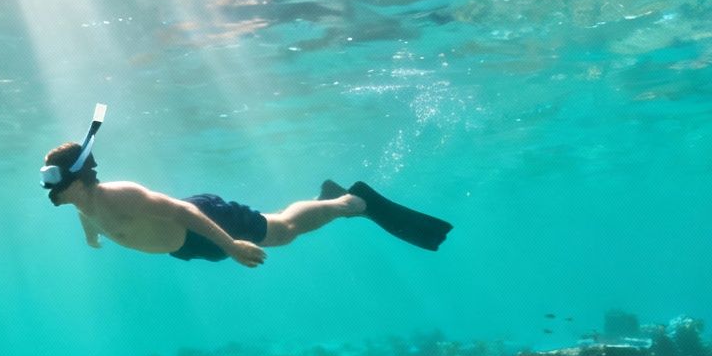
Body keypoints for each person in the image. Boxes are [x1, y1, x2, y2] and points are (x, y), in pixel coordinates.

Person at [39, 108, 451, 267]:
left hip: (206, 222)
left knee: (283, 231)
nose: (48, 188)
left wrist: (233, 245)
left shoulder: (120, 194)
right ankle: (330, 200)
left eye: (53, 178)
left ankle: (349, 201)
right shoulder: (82, 205)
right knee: (281, 228)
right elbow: (89, 217)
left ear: (78, 177)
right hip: (186, 247)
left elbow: (184, 212)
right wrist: (92, 237)